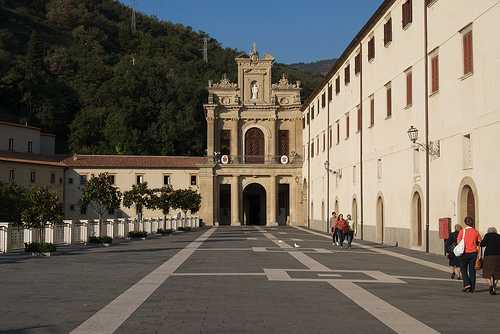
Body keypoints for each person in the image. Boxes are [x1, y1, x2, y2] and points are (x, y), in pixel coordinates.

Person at [457, 216, 481, 293]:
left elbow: (458, 241)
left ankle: (467, 284)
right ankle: (472, 288)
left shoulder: (462, 231)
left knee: (463, 269)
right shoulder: (476, 232)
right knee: (472, 270)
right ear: (472, 223)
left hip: (464, 253)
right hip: (473, 253)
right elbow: (479, 242)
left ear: (465, 223)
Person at [480, 227, 500, 295]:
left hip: (488, 256)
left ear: (488, 231)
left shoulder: (487, 235)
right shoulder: (498, 236)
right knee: (497, 272)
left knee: (487, 271)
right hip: (498, 256)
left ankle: (490, 285)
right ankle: (494, 287)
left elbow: (482, 244)